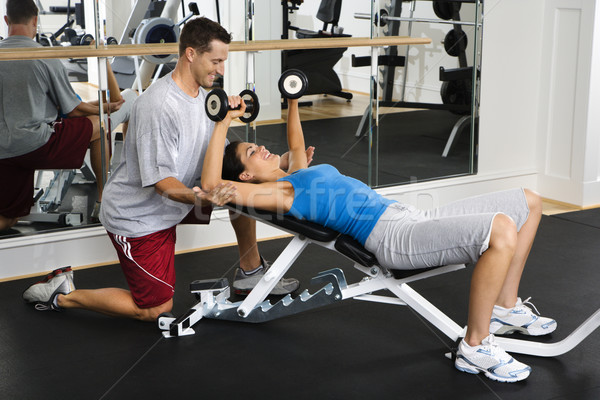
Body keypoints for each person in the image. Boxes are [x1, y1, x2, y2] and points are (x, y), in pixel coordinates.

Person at [195, 95, 556, 383]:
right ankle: (475, 345)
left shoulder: (296, 173)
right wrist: (222, 121)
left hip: (409, 216)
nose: (260, 148)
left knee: (529, 201)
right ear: (244, 175)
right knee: (501, 229)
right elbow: (212, 187)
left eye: (256, 145)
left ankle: (504, 309)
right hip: (393, 238)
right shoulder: (280, 193)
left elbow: (295, 141)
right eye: (250, 153)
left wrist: (291, 100)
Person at [22, 17, 304, 322]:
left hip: (174, 205)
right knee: (155, 309)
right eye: (216, 61)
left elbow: (220, 154)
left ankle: (251, 272)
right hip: (139, 217)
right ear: (191, 54)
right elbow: (164, 185)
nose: (221, 70)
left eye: (224, 61)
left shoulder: (203, 97)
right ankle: (62, 295)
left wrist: (279, 162)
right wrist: (206, 199)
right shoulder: (160, 106)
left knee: (238, 178)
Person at [0, 0, 124, 232]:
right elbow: (73, 110)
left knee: (9, 219)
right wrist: (104, 109)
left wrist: (102, 105)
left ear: (6, 21)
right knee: (100, 126)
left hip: (3, 151)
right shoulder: (46, 56)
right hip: (35, 146)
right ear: (35, 21)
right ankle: (103, 201)